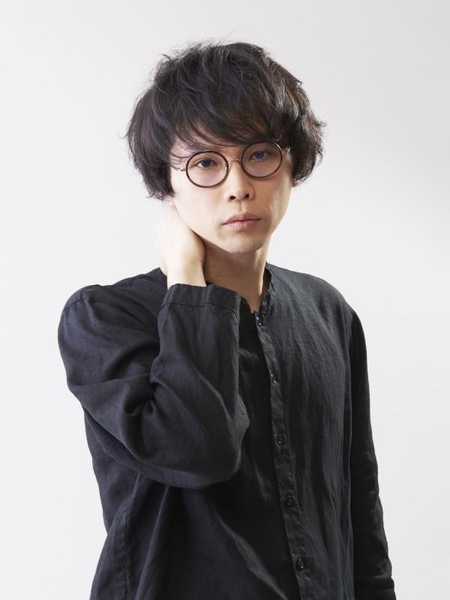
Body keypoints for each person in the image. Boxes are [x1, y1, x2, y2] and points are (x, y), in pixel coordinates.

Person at [58, 41, 396, 599]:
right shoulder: (104, 319)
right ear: (167, 185)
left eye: (259, 155)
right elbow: (198, 451)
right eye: (206, 163)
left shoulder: (328, 311)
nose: (238, 186)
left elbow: (359, 504)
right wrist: (188, 285)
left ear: (293, 165)